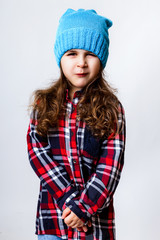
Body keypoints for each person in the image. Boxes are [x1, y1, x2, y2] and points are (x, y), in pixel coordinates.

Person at [27, 8, 126, 240]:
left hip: (95, 226)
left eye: (90, 54)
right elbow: (37, 154)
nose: (81, 63)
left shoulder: (112, 108)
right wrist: (70, 201)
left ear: (101, 59)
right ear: (60, 56)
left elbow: (110, 167)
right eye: (72, 53)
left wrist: (84, 208)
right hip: (53, 220)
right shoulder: (44, 104)